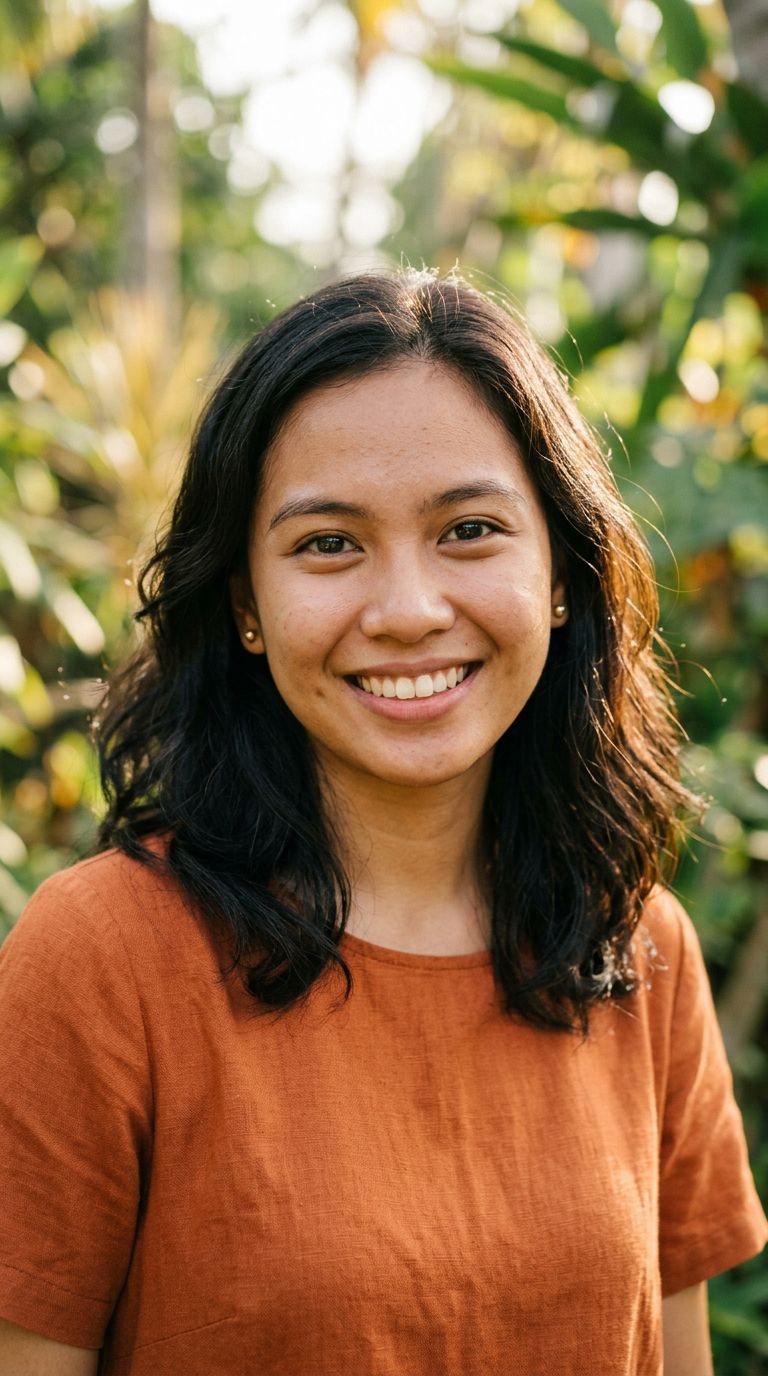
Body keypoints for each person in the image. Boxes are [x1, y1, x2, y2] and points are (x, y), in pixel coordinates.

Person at [0, 270, 765, 1376]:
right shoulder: (101, 960)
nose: (408, 609)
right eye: (328, 544)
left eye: (469, 528)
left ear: (560, 572)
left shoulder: (639, 949)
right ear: (246, 605)